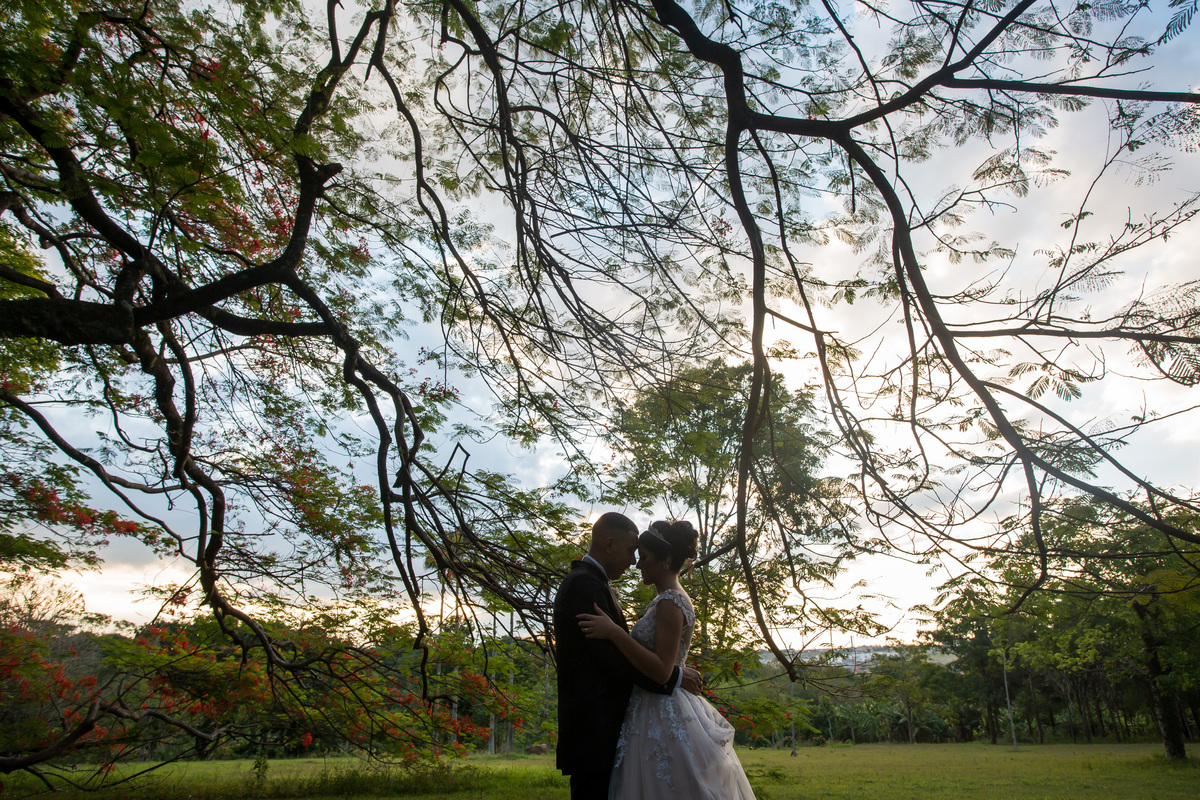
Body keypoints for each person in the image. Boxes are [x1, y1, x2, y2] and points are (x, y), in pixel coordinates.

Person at [577, 519, 756, 800]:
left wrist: (614, 633)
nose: (638, 564)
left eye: (644, 557)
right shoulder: (666, 600)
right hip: (651, 705)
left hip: (659, 709)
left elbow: (662, 670)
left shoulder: (671, 602)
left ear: (666, 560)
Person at [553, 512, 703, 800]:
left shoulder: (595, 583)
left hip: (615, 729)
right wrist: (676, 675)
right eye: (632, 551)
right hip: (595, 731)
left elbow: (623, 652)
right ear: (608, 544)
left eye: (642, 554)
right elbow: (611, 658)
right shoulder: (585, 584)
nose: (634, 561)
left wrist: (667, 669)